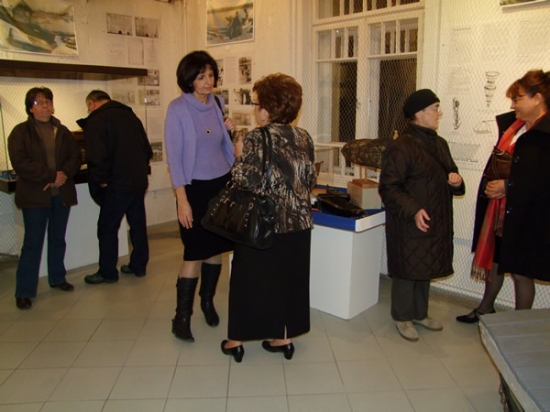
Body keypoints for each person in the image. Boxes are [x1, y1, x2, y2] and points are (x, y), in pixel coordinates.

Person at [220, 73, 316, 362]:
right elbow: (309, 179)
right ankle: (283, 338)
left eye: (257, 103)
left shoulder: (256, 138)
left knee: (248, 281)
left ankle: (236, 341)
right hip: (299, 224)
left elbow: (245, 181)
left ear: (268, 108)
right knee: (290, 282)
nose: (255, 109)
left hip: (263, 224)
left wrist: (238, 156)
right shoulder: (304, 137)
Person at [456, 69, 550, 322]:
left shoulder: (545, 134)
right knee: (496, 259)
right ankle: (485, 308)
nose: (512, 105)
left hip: (529, 213)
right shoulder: (513, 126)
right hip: (499, 210)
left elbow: (543, 178)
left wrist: (507, 187)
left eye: (518, 98)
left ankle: (519, 325)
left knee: (520, 271)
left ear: (537, 98)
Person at [379, 89, 465, 342]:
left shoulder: (440, 144)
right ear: (419, 113)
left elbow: (452, 175)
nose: (439, 113)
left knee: (425, 267)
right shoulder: (401, 147)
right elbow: (389, 187)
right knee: (408, 268)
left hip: (435, 216)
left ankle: (420, 313)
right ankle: (403, 317)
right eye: (435, 108)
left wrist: (456, 181)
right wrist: (413, 209)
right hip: (409, 218)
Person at [164, 51, 236, 342]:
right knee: (194, 251)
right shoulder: (178, 109)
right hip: (193, 189)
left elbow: (221, 145)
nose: (208, 81)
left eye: (211, 75)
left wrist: (230, 131)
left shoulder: (217, 103)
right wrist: (182, 200)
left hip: (221, 184)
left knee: (215, 248)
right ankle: (181, 317)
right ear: (189, 79)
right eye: (201, 76)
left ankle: (207, 301)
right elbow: (174, 158)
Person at [7, 87, 81, 310]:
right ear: (30, 108)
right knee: (32, 243)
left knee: (58, 238)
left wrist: (63, 175)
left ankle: (57, 278)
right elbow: (20, 163)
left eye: (48, 101)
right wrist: (51, 176)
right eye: (39, 102)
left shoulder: (63, 131)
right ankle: (24, 291)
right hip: (35, 197)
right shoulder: (20, 132)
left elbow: (75, 157)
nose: (45, 106)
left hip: (61, 195)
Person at [76, 90, 153, 284]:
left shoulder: (97, 120)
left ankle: (108, 271)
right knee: (137, 225)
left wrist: (101, 180)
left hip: (116, 185)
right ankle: (138, 265)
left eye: (88, 107)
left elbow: (96, 156)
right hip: (137, 181)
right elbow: (147, 150)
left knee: (107, 228)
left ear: (92, 103)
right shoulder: (131, 116)